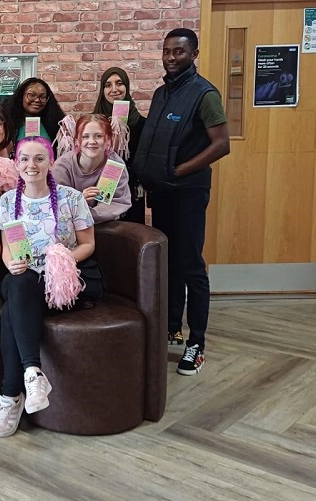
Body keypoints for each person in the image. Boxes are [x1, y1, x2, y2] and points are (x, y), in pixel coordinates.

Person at [133, 28, 230, 375]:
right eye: (167, 52)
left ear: (194, 54)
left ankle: (197, 343)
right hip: (162, 193)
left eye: (179, 52)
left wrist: (179, 171)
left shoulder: (205, 94)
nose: (172, 58)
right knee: (168, 261)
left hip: (188, 192)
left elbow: (221, 144)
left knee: (190, 264)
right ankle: (172, 327)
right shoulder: (161, 94)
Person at [0, 136, 95, 438]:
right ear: (16, 163)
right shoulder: (10, 200)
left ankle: (10, 396)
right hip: (26, 279)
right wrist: (10, 262)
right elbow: (7, 245)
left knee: (13, 302)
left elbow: (89, 244)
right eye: (24, 159)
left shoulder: (71, 197)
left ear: (50, 162)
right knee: (17, 282)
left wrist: (62, 258)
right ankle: (32, 375)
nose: (31, 165)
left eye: (38, 159)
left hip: (62, 282)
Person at [52, 114, 131, 223]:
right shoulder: (62, 167)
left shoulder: (113, 165)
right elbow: (58, 205)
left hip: (104, 224)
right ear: (77, 141)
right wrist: (78, 200)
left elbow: (110, 206)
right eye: (85, 136)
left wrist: (85, 214)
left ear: (108, 140)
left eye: (98, 136)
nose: (92, 141)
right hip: (69, 225)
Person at [92, 67, 147, 223]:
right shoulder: (94, 123)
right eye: (108, 85)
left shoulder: (141, 123)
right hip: (100, 187)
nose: (114, 89)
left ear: (127, 87)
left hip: (132, 189)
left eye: (119, 83)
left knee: (131, 236)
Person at [5, 77, 66, 143]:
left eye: (42, 97)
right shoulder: (8, 123)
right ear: (21, 96)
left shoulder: (56, 124)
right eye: (32, 95)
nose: (37, 100)